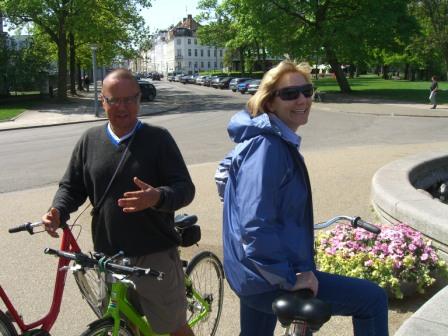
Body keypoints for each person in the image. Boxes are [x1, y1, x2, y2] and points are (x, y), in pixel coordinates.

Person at [221, 60, 389, 336]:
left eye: (306, 91)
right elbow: (255, 225)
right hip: (266, 278)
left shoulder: (260, 139)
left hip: (251, 274)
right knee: (372, 299)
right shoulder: (267, 147)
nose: (301, 99)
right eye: (289, 94)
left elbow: (227, 185)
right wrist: (290, 277)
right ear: (269, 103)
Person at [42, 68, 195, 336]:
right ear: (103, 101)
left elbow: (185, 189)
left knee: (173, 329)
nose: (122, 107)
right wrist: (58, 210)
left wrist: (157, 197)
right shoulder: (89, 140)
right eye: (114, 100)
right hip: (109, 254)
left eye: (130, 99)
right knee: (122, 326)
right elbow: (72, 186)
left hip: (154, 252)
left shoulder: (158, 139)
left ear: (139, 100)